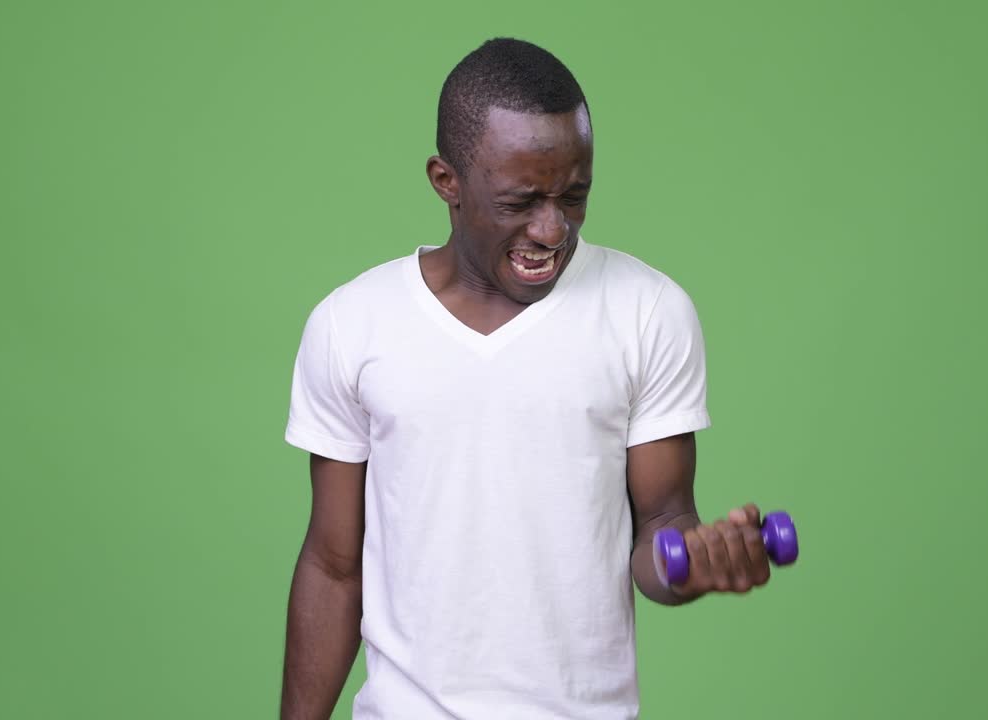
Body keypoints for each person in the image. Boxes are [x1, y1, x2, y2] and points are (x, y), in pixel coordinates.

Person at [280, 37, 772, 720]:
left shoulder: (648, 312)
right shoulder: (353, 324)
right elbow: (333, 567)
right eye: (521, 201)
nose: (552, 228)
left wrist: (694, 560)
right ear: (445, 181)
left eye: (575, 196)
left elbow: (660, 530)